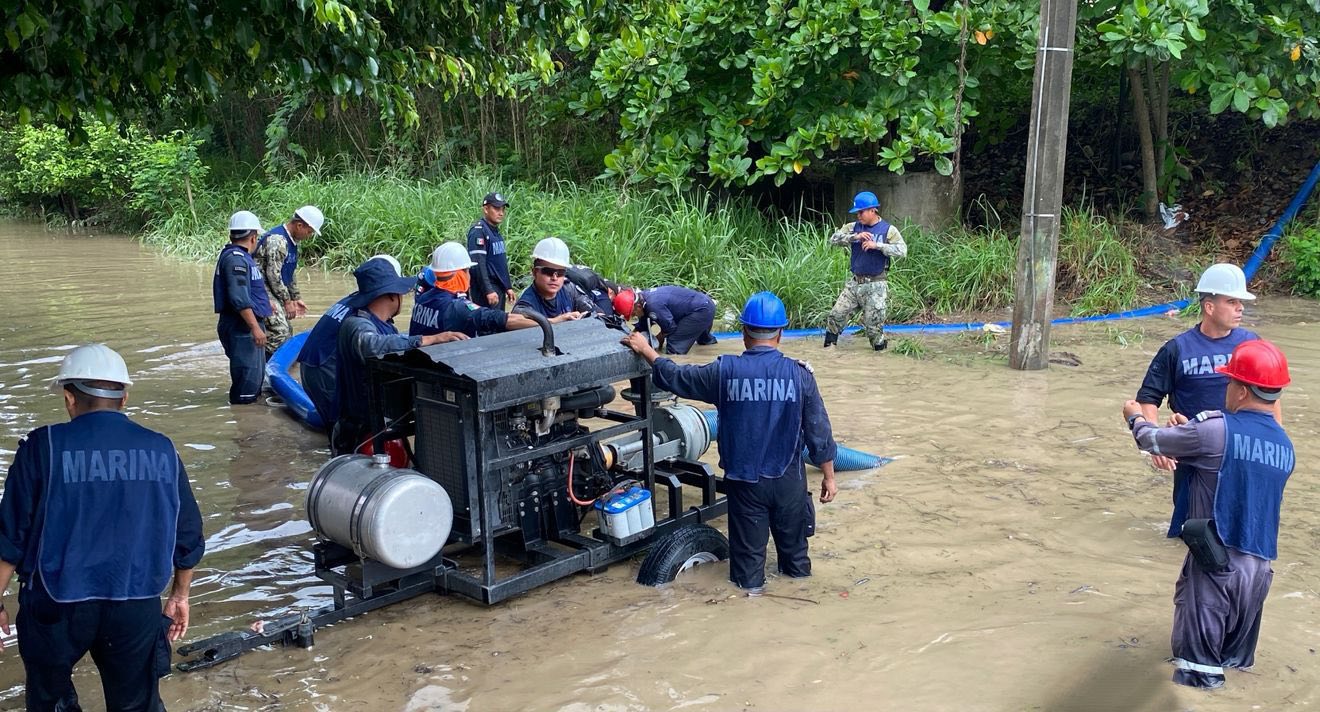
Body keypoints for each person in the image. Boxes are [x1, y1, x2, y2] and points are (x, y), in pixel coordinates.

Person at [0, 344, 204, 711]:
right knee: (137, 703)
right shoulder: (162, 449)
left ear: (68, 397)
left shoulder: (41, 447)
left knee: (50, 700)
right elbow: (187, 535)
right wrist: (179, 595)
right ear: (124, 399)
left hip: (56, 603)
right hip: (136, 600)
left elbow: (9, 539)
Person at [621, 291, 837, 595]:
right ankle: (798, 607)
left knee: (747, 574)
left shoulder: (723, 372)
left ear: (744, 332)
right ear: (781, 333)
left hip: (745, 483)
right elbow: (819, 431)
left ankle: (750, 607)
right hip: (790, 481)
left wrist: (646, 349)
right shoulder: (800, 375)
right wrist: (828, 475)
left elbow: (676, 377)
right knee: (797, 563)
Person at [1122, 338, 1295, 689]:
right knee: (1234, 671)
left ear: (1243, 391)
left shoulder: (1215, 429)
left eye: (1228, 382)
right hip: (1258, 576)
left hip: (1214, 567)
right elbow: (1233, 471)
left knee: (1197, 681)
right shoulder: (1285, 447)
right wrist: (1192, 434)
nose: (1226, 389)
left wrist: (1134, 417)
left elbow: (1150, 441)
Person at [1134, 263, 1280, 537]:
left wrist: (1276, 439)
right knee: (1191, 532)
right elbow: (1148, 398)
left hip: (1241, 451)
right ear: (1209, 307)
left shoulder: (1251, 344)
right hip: (1194, 455)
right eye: (1232, 301)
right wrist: (1157, 445)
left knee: (1241, 528)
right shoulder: (1177, 348)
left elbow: (1268, 395)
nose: (1241, 308)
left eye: (1241, 302)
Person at [334, 258, 468, 455]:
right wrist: (426, 339)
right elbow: (372, 345)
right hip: (359, 430)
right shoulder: (356, 325)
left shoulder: (387, 326)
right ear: (391, 295)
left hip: (379, 424)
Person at [298, 254, 400, 435]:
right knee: (345, 429)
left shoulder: (353, 300)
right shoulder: (366, 315)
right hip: (325, 371)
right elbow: (378, 346)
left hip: (310, 364)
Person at [823, 190, 907, 351]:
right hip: (854, 283)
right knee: (836, 315)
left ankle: (880, 353)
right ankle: (828, 350)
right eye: (857, 212)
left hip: (876, 285)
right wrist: (855, 237)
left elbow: (902, 251)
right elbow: (833, 239)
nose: (858, 215)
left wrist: (878, 246)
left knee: (873, 328)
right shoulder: (853, 227)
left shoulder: (888, 230)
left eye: (861, 212)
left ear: (873, 210)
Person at [410, 242, 539, 338]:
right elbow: (502, 320)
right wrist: (549, 323)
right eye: (467, 271)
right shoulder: (457, 307)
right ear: (459, 274)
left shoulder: (422, 298)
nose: (469, 276)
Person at [213, 210, 272, 404]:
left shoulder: (239, 257)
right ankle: (244, 423)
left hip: (244, 326)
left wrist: (264, 303)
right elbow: (238, 297)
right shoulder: (236, 259)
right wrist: (255, 327)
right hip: (242, 328)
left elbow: (246, 290)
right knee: (247, 381)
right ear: (254, 237)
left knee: (253, 378)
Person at [254, 205, 324, 355]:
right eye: (309, 231)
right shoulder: (278, 241)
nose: (309, 235)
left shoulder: (292, 242)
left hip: (272, 288)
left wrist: (296, 298)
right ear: (299, 225)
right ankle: (262, 363)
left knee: (288, 331)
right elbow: (273, 275)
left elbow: (289, 272)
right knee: (281, 332)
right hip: (261, 288)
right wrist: (287, 302)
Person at [613, 285, 717, 355]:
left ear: (638, 306)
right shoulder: (645, 297)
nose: (635, 316)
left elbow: (670, 328)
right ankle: (710, 344)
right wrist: (631, 336)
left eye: (634, 314)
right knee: (703, 342)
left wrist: (656, 344)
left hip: (701, 311)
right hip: (705, 304)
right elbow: (643, 323)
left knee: (673, 346)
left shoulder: (653, 305)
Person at [513, 237, 599, 322]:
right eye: (548, 272)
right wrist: (555, 321)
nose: (554, 278)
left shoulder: (569, 289)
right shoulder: (527, 303)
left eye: (560, 273)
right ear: (535, 272)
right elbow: (514, 320)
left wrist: (586, 316)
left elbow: (598, 313)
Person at [467, 192, 516, 310]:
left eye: (503, 209)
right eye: (496, 208)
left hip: (498, 287)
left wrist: (507, 286)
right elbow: (478, 264)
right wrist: (488, 290)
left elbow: (499, 263)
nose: (501, 212)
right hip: (486, 288)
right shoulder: (478, 231)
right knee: (488, 325)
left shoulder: (495, 231)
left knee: (498, 325)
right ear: (486, 209)